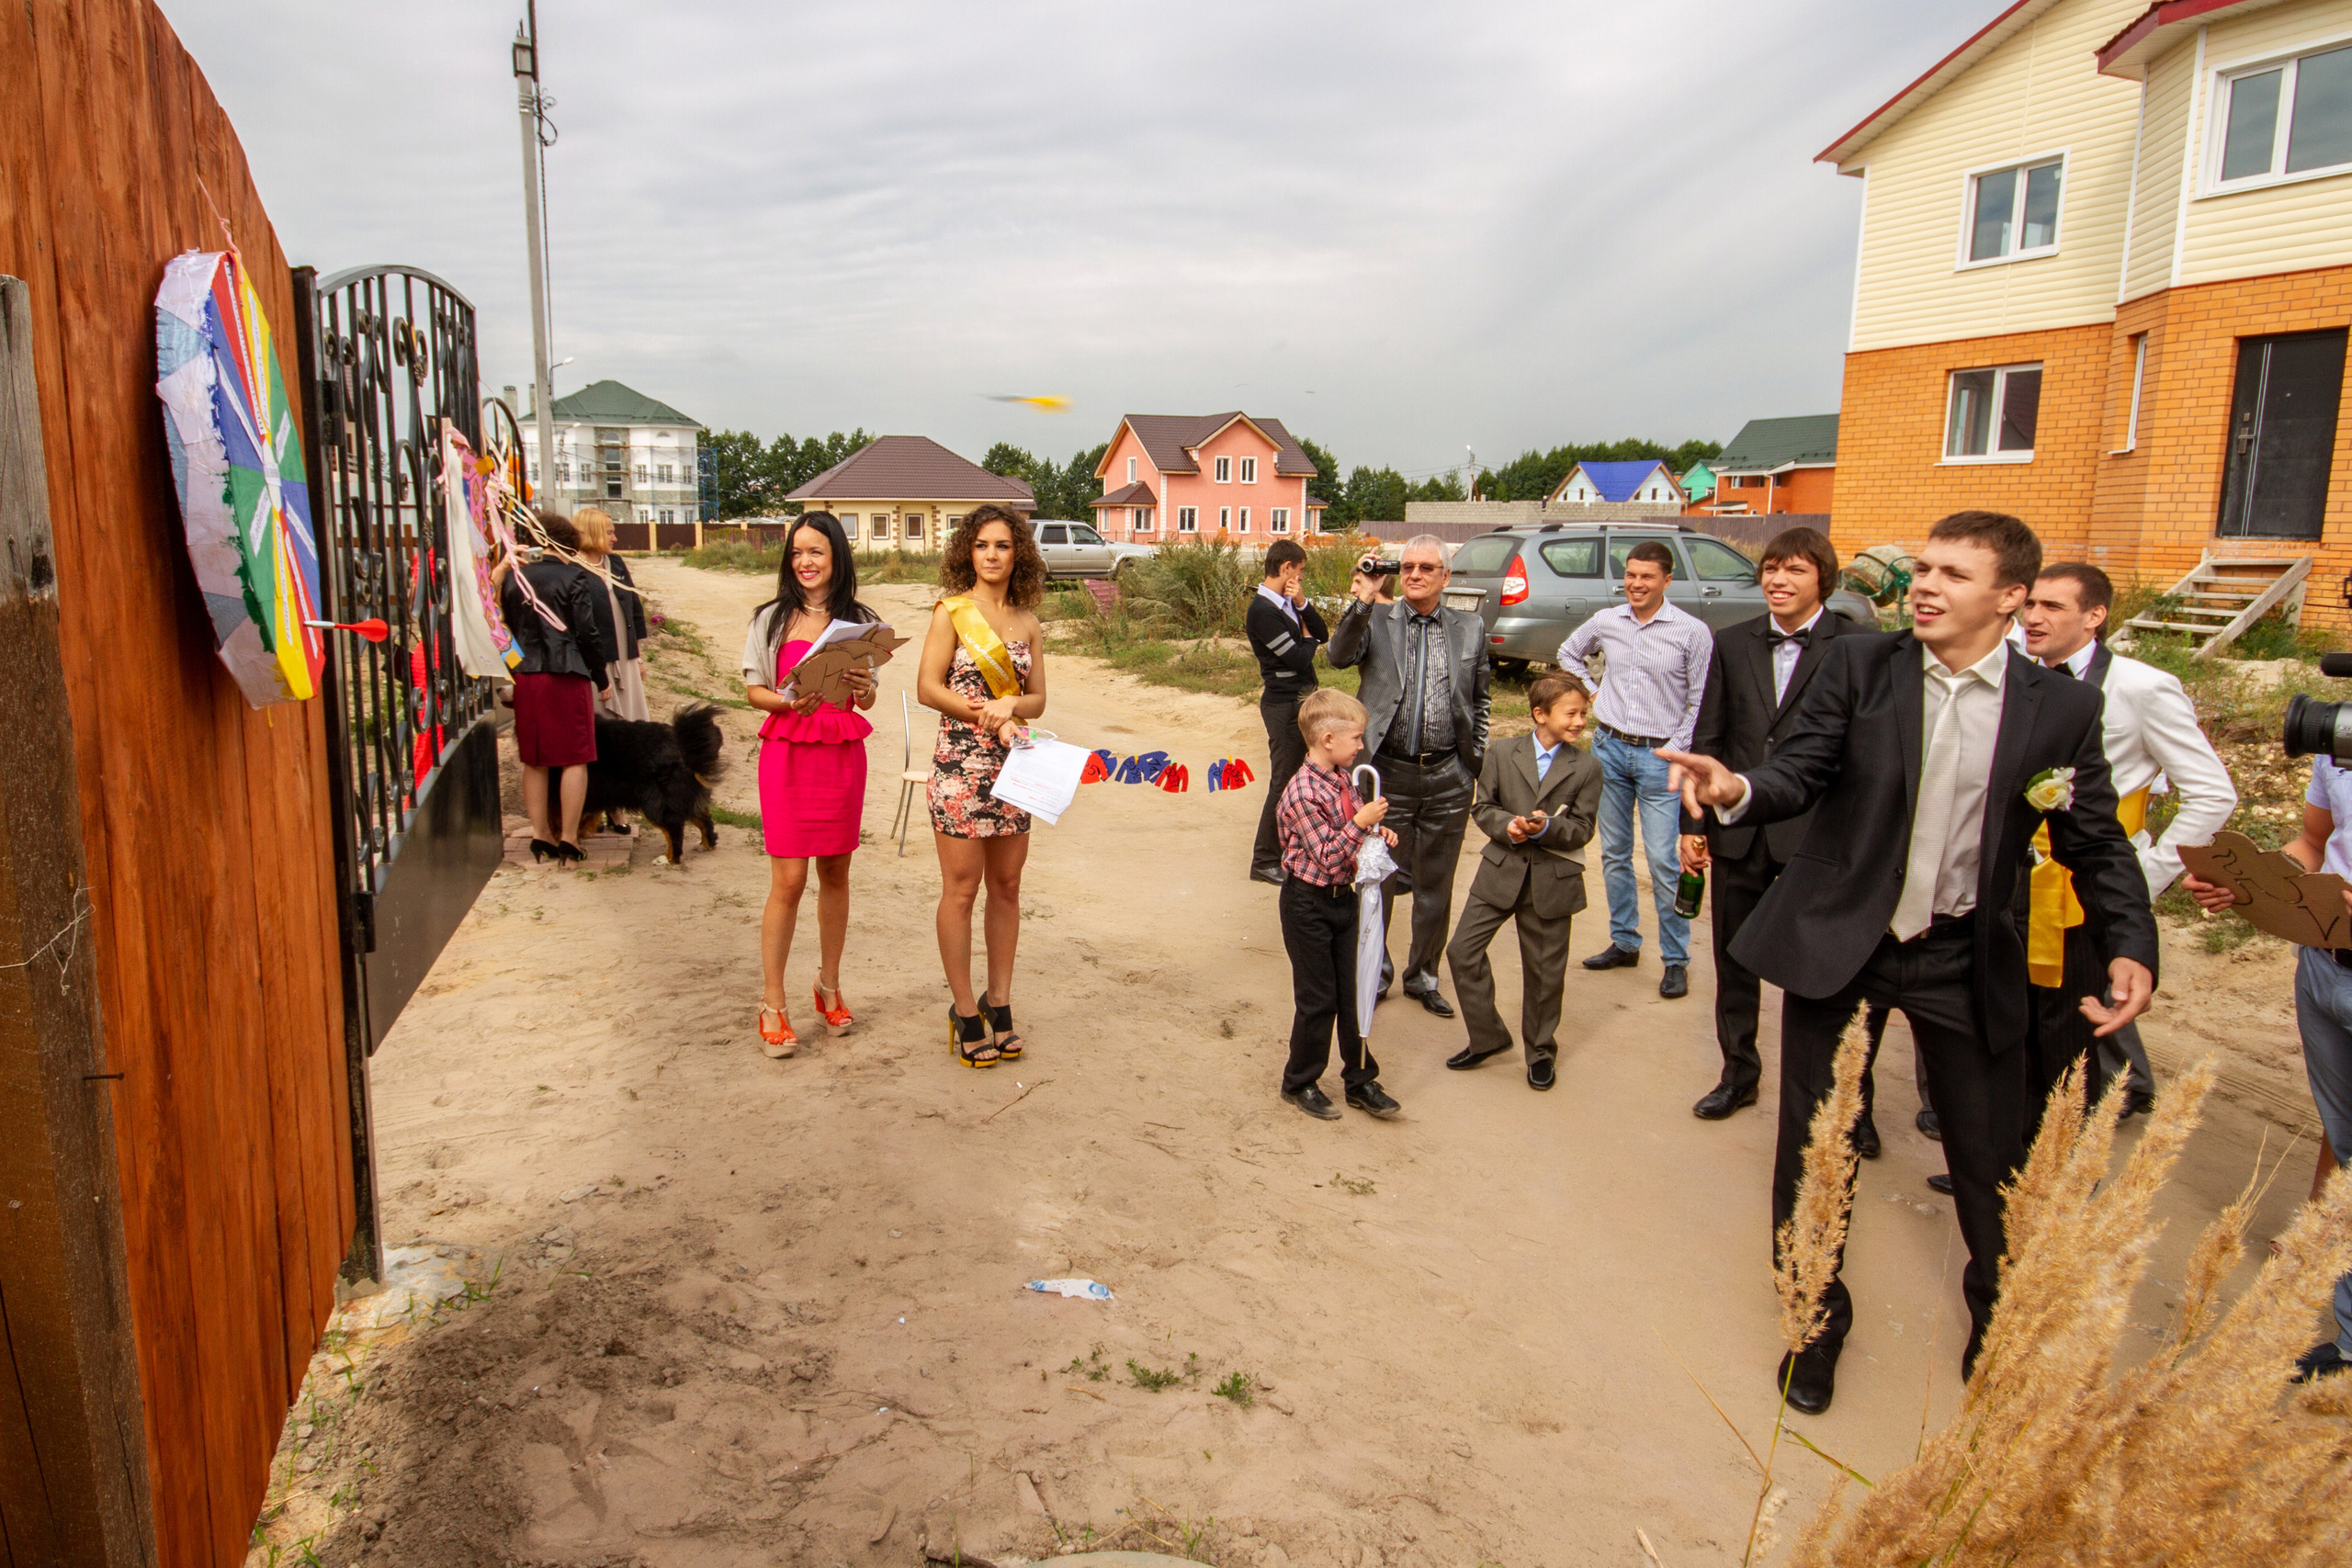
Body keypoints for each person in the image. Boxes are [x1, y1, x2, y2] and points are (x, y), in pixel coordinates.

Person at [1662, 511, 2157, 1416]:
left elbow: (2093, 839)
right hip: (1842, 947)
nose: (1924, 586)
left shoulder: (2061, 709)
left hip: (1964, 954)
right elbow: (1800, 769)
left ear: (2010, 598)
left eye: (1952, 575)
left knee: (1989, 1160)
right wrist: (1735, 790)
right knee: (1815, 1149)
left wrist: (2130, 945)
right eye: (1922, 569)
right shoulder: (1861, 665)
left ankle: (1995, 1326)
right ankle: (1814, 1322)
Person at [2018, 562, 2235, 1121]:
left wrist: (2147, 874)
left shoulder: (2142, 687)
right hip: (2017, 882)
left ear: (2095, 617)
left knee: (2073, 1030)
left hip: (2089, 884)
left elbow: (2211, 794)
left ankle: (2063, 1163)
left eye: (2052, 607)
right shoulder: (2011, 674)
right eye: (2031, 604)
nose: (2033, 617)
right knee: (2013, 1023)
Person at [1677, 526, 1865, 1120]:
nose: (1779, 580)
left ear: (1823, 581)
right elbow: (1709, 735)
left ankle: (1842, 1101)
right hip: (1738, 831)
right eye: (1772, 569)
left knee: (1825, 972)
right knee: (1734, 962)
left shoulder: (1860, 646)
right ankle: (1739, 1074)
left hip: (1815, 836)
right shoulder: (1731, 643)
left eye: (1796, 570)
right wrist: (1696, 825)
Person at [2182, 768, 2351, 1382]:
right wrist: (2247, 887)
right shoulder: (2340, 739)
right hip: (2325, 967)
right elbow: (2311, 842)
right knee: (2345, 1140)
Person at [1325, 536, 1491, 1017]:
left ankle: (1424, 976)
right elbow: (1338, 657)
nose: (1415, 574)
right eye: (1409, 567)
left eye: (1426, 567)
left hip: (1447, 775)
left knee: (1437, 884)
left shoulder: (1470, 627)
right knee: (1377, 877)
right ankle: (1376, 972)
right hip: (1387, 772)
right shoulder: (1377, 618)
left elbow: (1480, 700)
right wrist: (1364, 596)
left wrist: (1471, 761)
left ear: (1446, 576)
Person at [741, 511, 881, 1059]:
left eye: (816, 552)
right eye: (797, 552)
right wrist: (784, 699)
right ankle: (772, 1001)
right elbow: (754, 690)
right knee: (790, 880)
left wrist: (865, 686)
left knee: (837, 873)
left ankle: (829, 985)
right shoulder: (770, 619)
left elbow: (865, 699)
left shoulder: (862, 621)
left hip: (841, 753)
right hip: (788, 751)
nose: (805, 562)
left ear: (837, 557)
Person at [918, 505, 1048, 1067]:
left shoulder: (1028, 622)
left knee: (1009, 886)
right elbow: (927, 687)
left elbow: (1039, 699)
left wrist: (1010, 704)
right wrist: (980, 712)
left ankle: (1000, 1003)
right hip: (960, 768)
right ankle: (965, 1010)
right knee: (962, 889)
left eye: (1002, 545)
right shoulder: (951, 612)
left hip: (1014, 769)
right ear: (967, 553)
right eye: (982, 545)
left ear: (1017, 553)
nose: (992, 555)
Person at [1559, 541, 1713, 999]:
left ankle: (1676, 959)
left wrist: (1677, 749)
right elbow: (1568, 653)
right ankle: (1625, 941)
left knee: (1666, 861)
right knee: (1614, 853)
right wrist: (1593, 693)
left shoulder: (1692, 632)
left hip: (1660, 758)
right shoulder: (1609, 621)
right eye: (1630, 575)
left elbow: (1701, 699)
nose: (1636, 584)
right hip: (1610, 749)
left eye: (1647, 577)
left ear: (1667, 580)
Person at [1443, 671, 1602, 1089]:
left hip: (1553, 880)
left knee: (1546, 973)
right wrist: (1507, 827)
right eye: (1571, 713)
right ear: (1539, 714)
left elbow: (1584, 828)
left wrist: (1546, 828)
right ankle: (1488, 1036)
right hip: (1501, 871)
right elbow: (1484, 808)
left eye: (1583, 713)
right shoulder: (1501, 752)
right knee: (1462, 951)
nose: (1579, 722)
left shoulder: (1587, 766)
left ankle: (1540, 1051)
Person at [1273, 688, 1401, 1121]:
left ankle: (1361, 1080)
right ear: (1328, 739)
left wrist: (1375, 833)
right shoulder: (1301, 792)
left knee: (1355, 991)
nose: (1362, 746)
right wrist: (1359, 824)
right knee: (1318, 997)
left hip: (1345, 899)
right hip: (1307, 904)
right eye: (1357, 738)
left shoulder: (1343, 777)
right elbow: (1327, 853)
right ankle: (1300, 1082)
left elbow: (1354, 826)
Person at [498, 513, 612, 865]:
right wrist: (601, 677)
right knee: (574, 758)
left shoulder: (516, 578)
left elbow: (505, 628)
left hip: (527, 677)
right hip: (568, 673)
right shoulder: (575, 576)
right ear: (570, 541)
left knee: (534, 760)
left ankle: (540, 835)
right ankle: (570, 838)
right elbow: (587, 633)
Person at [1248, 539, 1330, 884]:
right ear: (1286, 569)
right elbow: (1298, 658)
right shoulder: (1262, 612)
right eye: (1300, 570)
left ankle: (1288, 850)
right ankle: (1264, 860)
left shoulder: (1285, 605)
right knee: (1283, 782)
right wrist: (1307, 641)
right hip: (1282, 705)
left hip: (1298, 700)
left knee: (1297, 779)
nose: (1301, 575)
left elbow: (1322, 633)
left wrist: (1302, 604)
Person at [575, 506, 650, 723]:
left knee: (632, 718)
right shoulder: (573, 568)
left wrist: (638, 657)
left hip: (626, 656)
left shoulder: (615, 563)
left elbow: (634, 609)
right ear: (592, 532)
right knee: (603, 722)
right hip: (598, 659)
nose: (614, 538)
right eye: (609, 532)